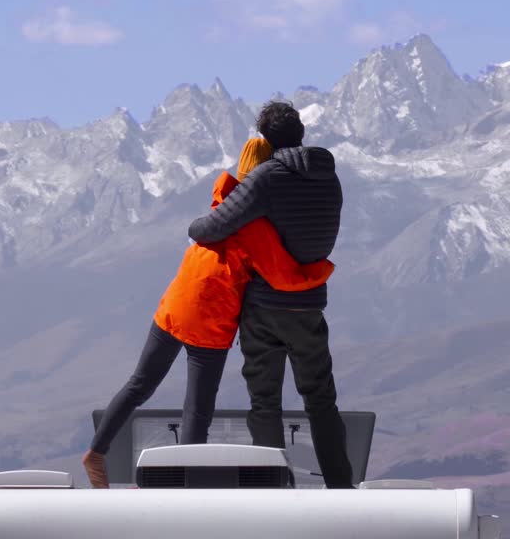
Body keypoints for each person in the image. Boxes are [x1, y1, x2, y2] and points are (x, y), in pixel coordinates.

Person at [82, 137, 335, 488]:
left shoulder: (220, 203)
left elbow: (204, 232)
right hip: (210, 322)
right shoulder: (257, 227)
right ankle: (184, 485)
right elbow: (284, 276)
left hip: (174, 307)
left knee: (139, 384)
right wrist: (321, 271)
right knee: (197, 410)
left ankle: (96, 452)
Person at [186, 100, 354, 488]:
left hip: (264, 305)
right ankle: (341, 488)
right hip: (310, 304)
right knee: (321, 400)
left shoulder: (266, 179)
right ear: (301, 134)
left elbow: (211, 228)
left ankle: (273, 489)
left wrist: (198, 221)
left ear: (265, 139)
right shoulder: (330, 177)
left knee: (265, 404)